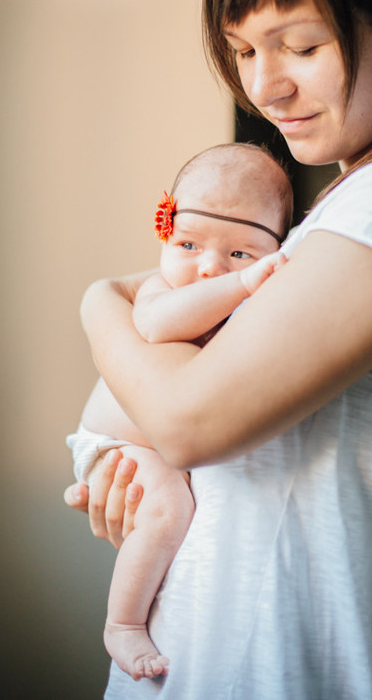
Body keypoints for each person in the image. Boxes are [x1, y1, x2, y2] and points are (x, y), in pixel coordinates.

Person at [65, 0, 372, 699]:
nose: (265, 85)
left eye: (303, 45)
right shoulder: (345, 208)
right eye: (244, 49)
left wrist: (97, 300)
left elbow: (185, 414)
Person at [67, 142, 293, 681]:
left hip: (157, 443)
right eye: (189, 243)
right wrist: (241, 282)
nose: (208, 266)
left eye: (240, 253)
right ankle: (122, 624)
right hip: (116, 445)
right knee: (169, 510)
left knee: (171, 509)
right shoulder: (159, 289)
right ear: (165, 231)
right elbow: (158, 327)